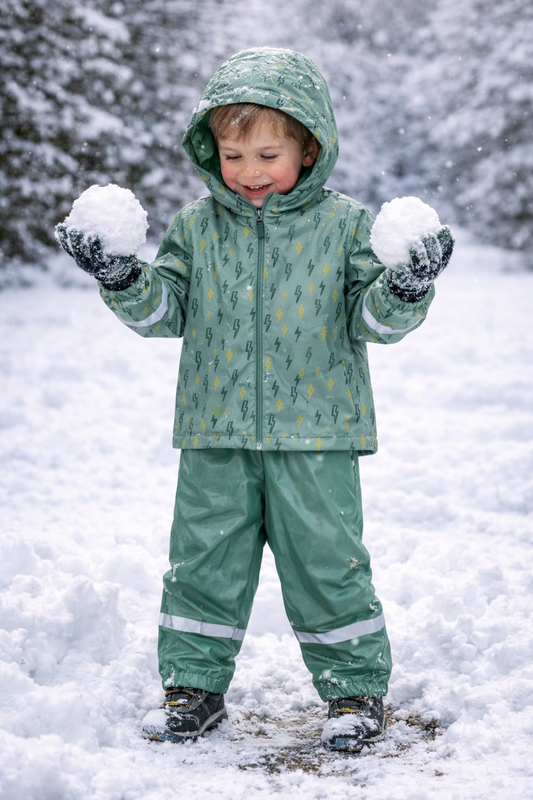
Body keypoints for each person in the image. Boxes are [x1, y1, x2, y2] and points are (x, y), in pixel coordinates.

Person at [55, 47, 454, 752]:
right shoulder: (196, 228)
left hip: (318, 433)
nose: (248, 172)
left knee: (327, 564)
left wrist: (402, 289)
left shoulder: (344, 227)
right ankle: (193, 689)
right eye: (232, 155)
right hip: (215, 430)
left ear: (310, 147)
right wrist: (121, 276)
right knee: (203, 562)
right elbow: (163, 313)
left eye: (267, 153)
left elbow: (371, 321)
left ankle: (354, 692)